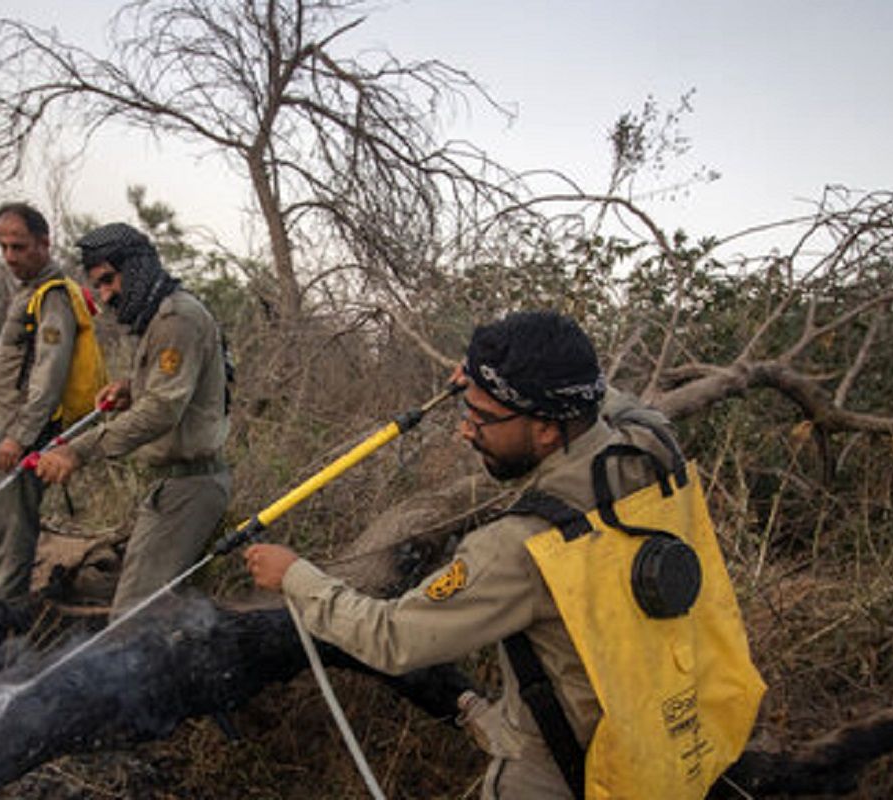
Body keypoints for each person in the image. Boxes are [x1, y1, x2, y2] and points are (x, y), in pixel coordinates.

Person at [242, 311, 688, 799]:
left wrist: (295, 576)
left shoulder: (520, 545)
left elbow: (393, 638)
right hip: (668, 726)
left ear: (543, 429)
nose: (465, 432)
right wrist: (486, 383)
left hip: (563, 770)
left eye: (482, 418)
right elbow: (612, 403)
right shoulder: (652, 448)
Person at [34, 222, 230, 616]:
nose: (106, 296)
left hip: (190, 487)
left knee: (132, 615)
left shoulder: (177, 319)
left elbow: (162, 409)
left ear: (136, 267)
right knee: (148, 606)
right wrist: (131, 389)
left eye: (109, 280)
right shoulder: (161, 318)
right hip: (176, 485)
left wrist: (79, 450)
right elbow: (170, 392)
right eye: (98, 286)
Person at [0, 202, 89, 602]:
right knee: (5, 518)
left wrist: (19, 435)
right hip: (13, 425)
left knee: (13, 525)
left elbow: (49, 374)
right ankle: (2, 598)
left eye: (19, 246)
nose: (10, 256)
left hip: (26, 431)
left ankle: (3, 611)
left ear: (44, 244)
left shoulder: (53, 296)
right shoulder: (30, 292)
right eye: (4, 246)